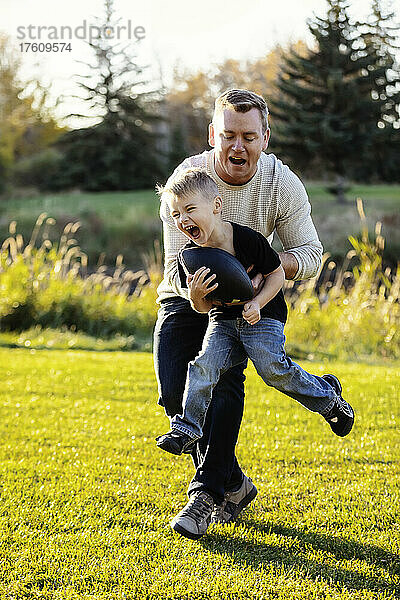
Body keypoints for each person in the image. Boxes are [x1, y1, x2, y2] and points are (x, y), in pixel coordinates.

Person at [153, 89, 326, 540]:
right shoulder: (186, 182)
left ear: (265, 138)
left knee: (224, 381)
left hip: (245, 299)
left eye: (248, 137)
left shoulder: (281, 184)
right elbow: (176, 265)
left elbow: (311, 254)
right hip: (186, 294)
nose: (237, 147)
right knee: (177, 395)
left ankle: (207, 495)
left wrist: (270, 265)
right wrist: (197, 294)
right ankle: (235, 484)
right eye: (228, 135)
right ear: (213, 136)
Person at [155, 169, 354, 481]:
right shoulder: (190, 256)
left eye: (190, 210)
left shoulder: (247, 239)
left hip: (264, 314)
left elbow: (276, 273)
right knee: (203, 366)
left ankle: (329, 399)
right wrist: (195, 297)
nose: (183, 220)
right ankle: (187, 429)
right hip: (222, 321)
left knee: (272, 369)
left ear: (216, 206)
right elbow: (204, 308)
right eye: (176, 213)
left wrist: (257, 302)